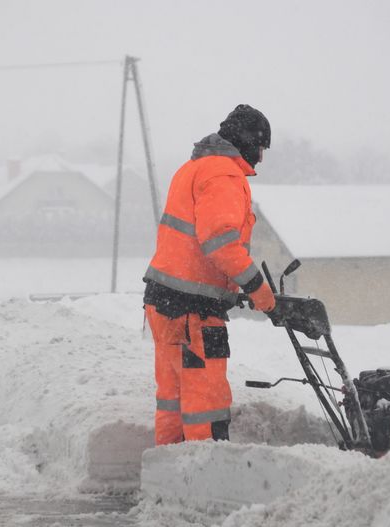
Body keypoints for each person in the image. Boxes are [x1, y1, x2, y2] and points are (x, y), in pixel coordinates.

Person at [143, 104, 276, 445]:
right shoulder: (224, 175)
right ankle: (206, 467)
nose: (261, 158)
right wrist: (258, 288)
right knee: (206, 402)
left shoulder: (193, 168)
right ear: (247, 142)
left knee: (173, 398)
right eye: (261, 148)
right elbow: (220, 243)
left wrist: (231, 288)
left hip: (163, 302)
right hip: (193, 312)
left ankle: (167, 466)